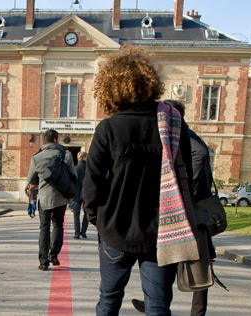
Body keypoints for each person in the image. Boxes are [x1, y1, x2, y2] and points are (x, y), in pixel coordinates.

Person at [83, 46, 195, 316]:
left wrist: (99, 219)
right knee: (157, 306)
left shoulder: (108, 128)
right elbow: (187, 177)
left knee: (109, 301)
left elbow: (92, 184)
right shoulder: (173, 124)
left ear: (110, 87)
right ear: (150, 82)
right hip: (162, 231)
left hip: (116, 230)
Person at [131, 99, 217, 316]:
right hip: (191, 206)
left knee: (198, 262)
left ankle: (195, 312)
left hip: (193, 208)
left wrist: (185, 190)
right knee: (170, 258)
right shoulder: (179, 134)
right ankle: (155, 300)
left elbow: (200, 155)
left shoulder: (183, 135)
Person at [27, 129, 77, 271]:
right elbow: (73, 175)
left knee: (44, 228)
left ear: (45, 140)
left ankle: (43, 262)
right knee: (58, 225)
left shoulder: (37, 157)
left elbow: (31, 179)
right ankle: (53, 255)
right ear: (56, 139)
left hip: (44, 198)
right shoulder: (65, 154)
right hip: (61, 198)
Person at [71, 151, 89, 239]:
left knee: (76, 214)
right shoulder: (89, 169)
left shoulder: (75, 169)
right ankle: (83, 231)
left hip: (77, 194)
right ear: (84, 158)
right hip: (87, 193)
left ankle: (77, 233)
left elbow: (72, 182)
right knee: (87, 213)